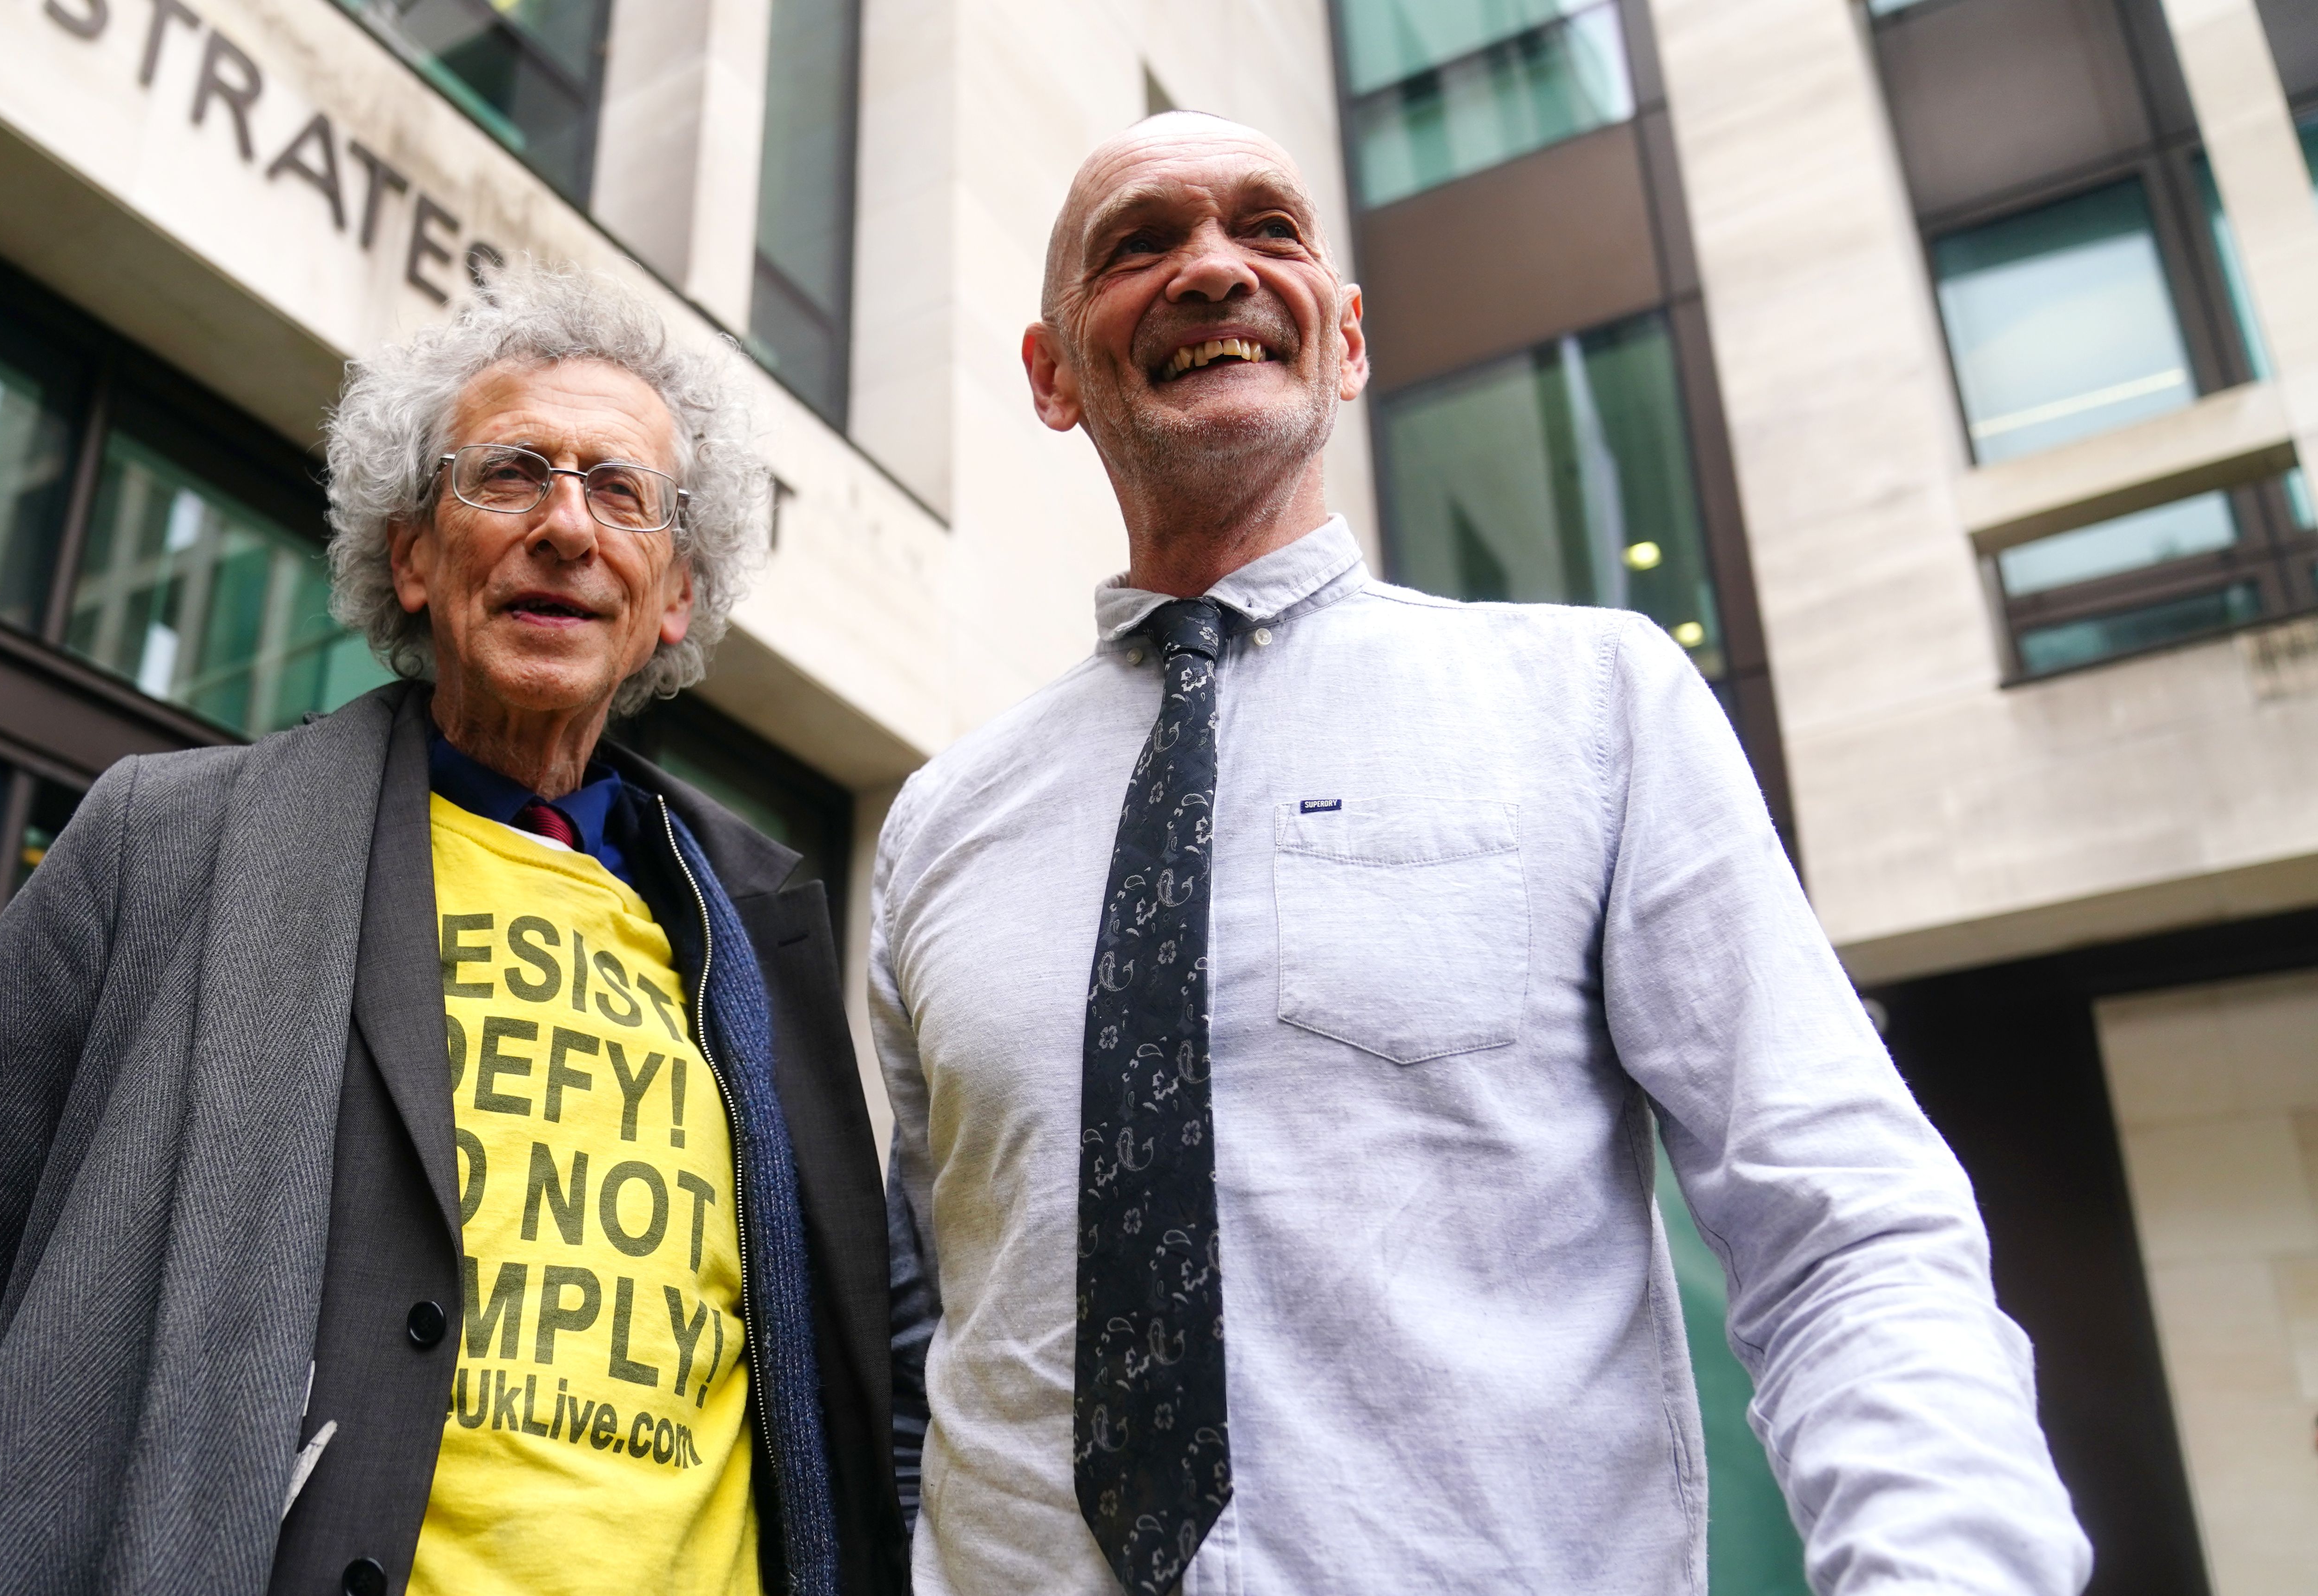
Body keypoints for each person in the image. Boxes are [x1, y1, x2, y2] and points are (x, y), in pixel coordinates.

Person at [867, 112, 2089, 1596]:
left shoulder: (1599, 703)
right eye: (1141, 243)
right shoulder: (940, 824)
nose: (1212, 269)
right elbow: (932, 1332)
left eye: (1269, 229)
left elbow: (1841, 1227)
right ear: (1053, 374)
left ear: (1351, 338)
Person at [0, 264, 900, 1596]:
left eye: (621, 492)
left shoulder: (757, 934)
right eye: (510, 473)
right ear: (410, 554)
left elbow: (867, 1395)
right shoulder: (160, 847)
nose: (568, 528)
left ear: (674, 595)